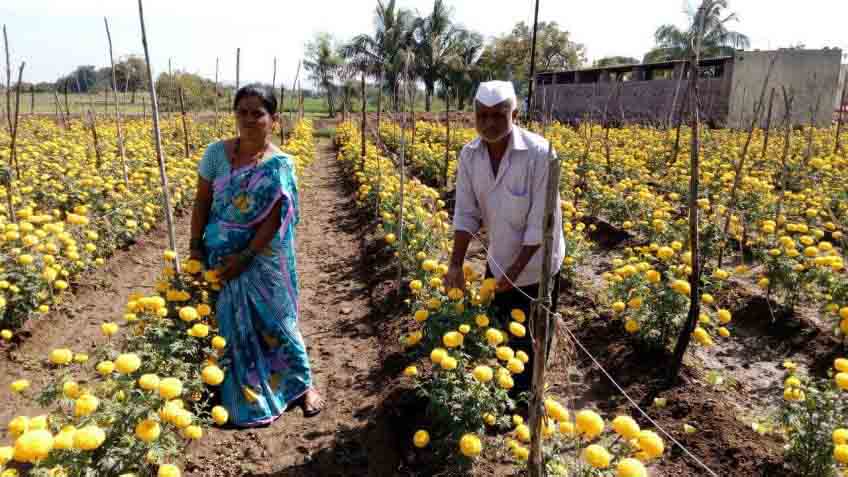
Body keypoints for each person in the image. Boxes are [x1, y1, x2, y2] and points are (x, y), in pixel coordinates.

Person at [190, 84, 323, 427]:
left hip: (263, 257)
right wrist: (194, 247)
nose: (249, 119)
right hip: (220, 258)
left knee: (280, 321)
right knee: (230, 325)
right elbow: (202, 202)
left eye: (257, 113)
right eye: (242, 112)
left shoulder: (279, 164)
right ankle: (235, 391)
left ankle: (302, 384)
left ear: (273, 119)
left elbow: (277, 216)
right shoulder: (215, 154)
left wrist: (247, 256)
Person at [444, 80, 565, 396]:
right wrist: (455, 264)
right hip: (499, 258)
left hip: (537, 264)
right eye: (482, 115)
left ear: (515, 114)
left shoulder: (540, 154)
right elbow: (466, 213)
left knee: (531, 342)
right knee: (499, 334)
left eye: (498, 115)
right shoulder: (470, 155)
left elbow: (541, 222)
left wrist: (516, 270)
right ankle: (504, 401)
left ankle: (527, 402)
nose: (489, 123)